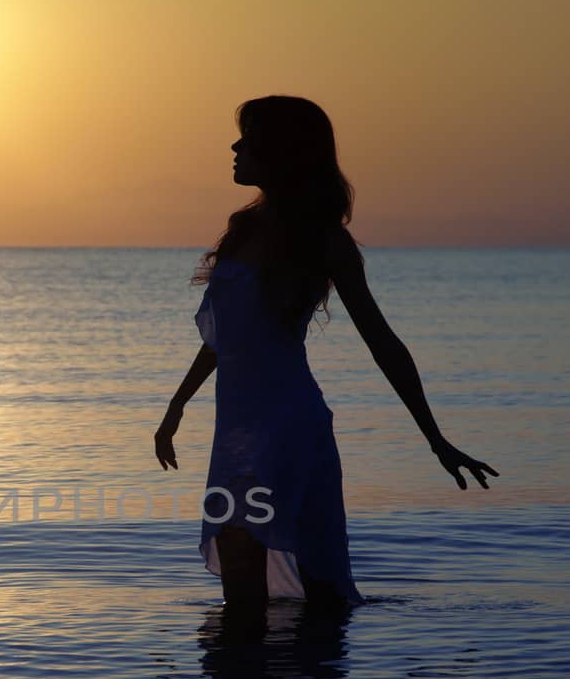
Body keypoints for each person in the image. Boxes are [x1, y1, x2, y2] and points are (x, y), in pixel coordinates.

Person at [154, 95, 499, 613]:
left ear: (281, 150)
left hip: (288, 424)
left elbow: (382, 340)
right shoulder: (242, 232)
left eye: (248, 137)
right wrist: (176, 407)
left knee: (290, 578)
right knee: (248, 578)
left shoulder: (322, 240)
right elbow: (226, 337)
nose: (235, 146)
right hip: (237, 430)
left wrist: (435, 438)